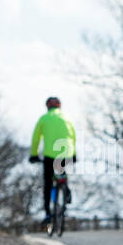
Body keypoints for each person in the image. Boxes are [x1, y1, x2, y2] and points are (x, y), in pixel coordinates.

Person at [28, 97, 77, 230]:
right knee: (62, 172)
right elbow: (73, 137)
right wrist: (74, 154)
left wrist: (34, 155)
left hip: (50, 155)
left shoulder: (44, 119)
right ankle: (65, 188)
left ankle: (48, 214)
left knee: (48, 184)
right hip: (66, 153)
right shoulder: (67, 118)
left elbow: (36, 139)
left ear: (48, 107)